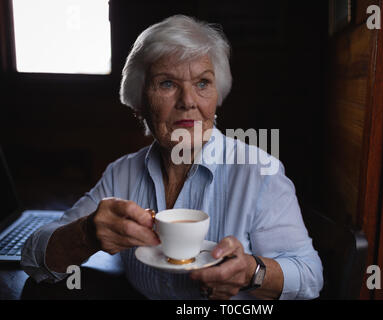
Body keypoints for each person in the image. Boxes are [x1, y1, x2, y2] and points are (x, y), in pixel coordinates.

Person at [21, 14, 323, 300]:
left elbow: (310, 276)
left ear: (217, 96)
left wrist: (252, 272)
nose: (188, 101)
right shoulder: (122, 174)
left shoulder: (260, 172)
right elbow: (33, 258)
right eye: (167, 83)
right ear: (139, 103)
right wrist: (85, 235)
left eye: (202, 83)